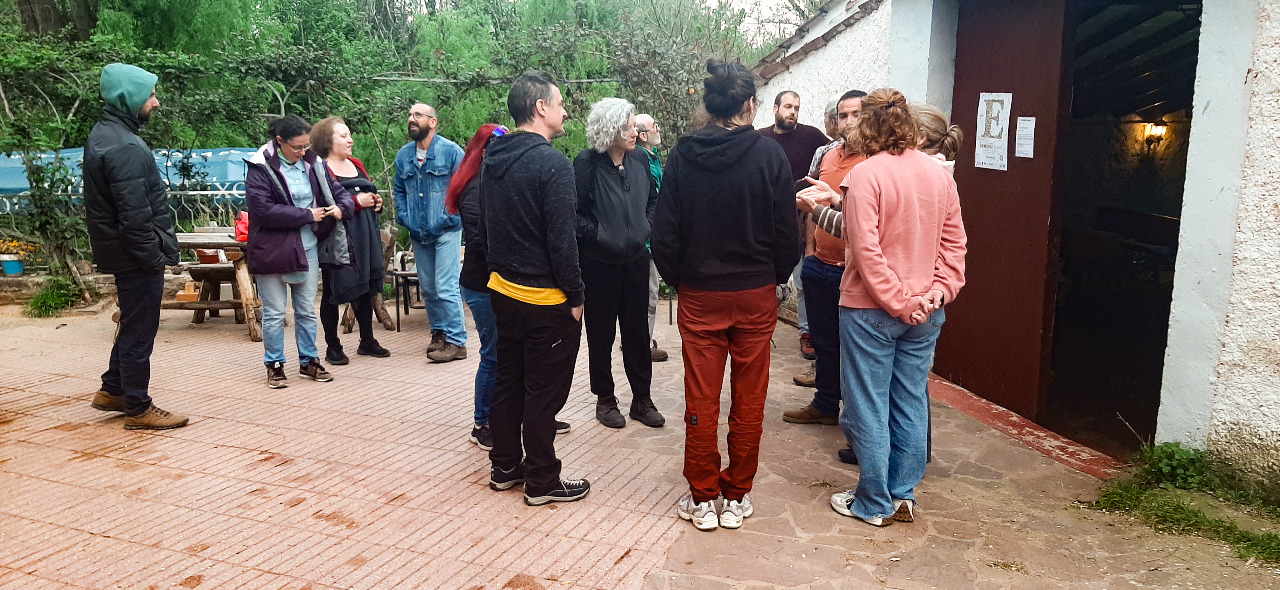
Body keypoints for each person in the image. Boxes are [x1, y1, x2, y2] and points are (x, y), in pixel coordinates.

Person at [653, 60, 800, 531]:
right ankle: (736, 495)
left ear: (709, 105)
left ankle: (702, 499)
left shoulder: (682, 154)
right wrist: (775, 276)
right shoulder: (770, 155)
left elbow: (665, 232)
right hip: (755, 292)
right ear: (750, 105)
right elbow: (787, 232)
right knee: (750, 397)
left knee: (701, 396)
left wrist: (681, 279)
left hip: (701, 293)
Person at [824, 89, 967, 527]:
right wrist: (937, 293)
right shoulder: (939, 175)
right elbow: (955, 246)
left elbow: (866, 253)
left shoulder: (864, 175)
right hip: (927, 311)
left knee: (867, 405)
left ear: (867, 124)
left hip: (871, 311)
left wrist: (901, 303)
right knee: (910, 401)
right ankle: (903, 493)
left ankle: (873, 502)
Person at [480, 70, 590, 506]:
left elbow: (484, 229)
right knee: (544, 394)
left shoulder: (493, 158)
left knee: (509, 382)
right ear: (541, 107)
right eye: (560, 103)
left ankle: (505, 467)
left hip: (503, 291)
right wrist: (576, 296)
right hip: (546, 300)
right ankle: (542, 481)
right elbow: (563, 241)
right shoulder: (553, 165)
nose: (565, 111)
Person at [84, 63, 188, 430]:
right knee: (139, 331)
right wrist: (152, 258)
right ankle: (138, 408)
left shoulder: (107, 134)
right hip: (134, 256)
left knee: (132, 322)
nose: (155, 102)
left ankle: (113, 390)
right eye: (150, 95)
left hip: (123, 252)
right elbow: (134, 216)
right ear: (129, 97)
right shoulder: (124, 146)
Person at [245, 115, 356, 389]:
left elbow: (338, 191)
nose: (303, 151)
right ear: (279, 141)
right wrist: (306, 215)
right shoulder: (259, 167)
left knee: (306, 309)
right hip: (271, 250)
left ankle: (309, 361)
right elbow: (262, 210)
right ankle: (275, 365)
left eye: (306, 146)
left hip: (307, 248)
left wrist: (342, 207)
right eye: (296, 147)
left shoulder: (314, 163)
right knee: (274, 313)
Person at [574, 99, 664, 430]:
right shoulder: (586, 163)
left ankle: (642, 399)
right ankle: (605, 398)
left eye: (634, 126)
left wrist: (645, 228)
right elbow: (574, 213)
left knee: (637, 333)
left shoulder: (640, 159)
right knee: (601, 334)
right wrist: (600, 235)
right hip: (599, 263)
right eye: (627, 127)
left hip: (636, 260)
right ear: (610, 128)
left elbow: (653, 200)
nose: (634, 132)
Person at [785, 89, 865, 424]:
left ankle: (857, 420)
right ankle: (825, 405)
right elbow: (812, 205)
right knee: (824, 344)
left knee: (855, 350)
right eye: (843, 115)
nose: (849, 122)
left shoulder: (875, 159)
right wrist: (810, 252)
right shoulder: (828, 155)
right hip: (819, 264)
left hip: (853, 271)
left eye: (856, 114)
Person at [310, 117, 390, 365]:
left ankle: (367, 340)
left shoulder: (356, 164)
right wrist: (356, 202)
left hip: (365, 233)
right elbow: (323, 204)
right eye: (343, 136)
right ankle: (333, 346)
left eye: (349, 135)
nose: (350, 140)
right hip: (338, 239)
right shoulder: (320, 169)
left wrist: (376, 202)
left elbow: (368, 192)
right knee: (332, 291)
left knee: (365, 287)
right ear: (328, 141)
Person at [393, 103, 468, 363]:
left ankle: (457, 341)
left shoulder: (451, 152)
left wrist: (451, 217)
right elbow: (399, 191)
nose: (411, 119)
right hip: (418, 232)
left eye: (417, 115)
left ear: (433, 122)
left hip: (446, 230)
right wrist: (405, 217)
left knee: (446, 286)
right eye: (409, 115)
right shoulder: (404, 156)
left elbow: (465, 188)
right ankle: (439, 334)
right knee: (428, 288)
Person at [759, 90, 828, 362]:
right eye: (788, 106)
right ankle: (759, 328)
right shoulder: (761, 139)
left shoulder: (812, 137)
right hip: (769, 223)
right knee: (765, 279)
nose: (793, 112)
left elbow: (832, 158)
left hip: (802, 223)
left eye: (797, 108)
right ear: (775, 108)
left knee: (803, 279)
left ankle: (807, 332)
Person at [635, 113, 669, 363]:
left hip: (651, 238)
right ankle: (642, 345)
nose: (659, 129)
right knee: (649, 295)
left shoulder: (651, 157)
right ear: (644, 135)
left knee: (647, 293)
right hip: (646, 241)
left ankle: (639, 339)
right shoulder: (640, 160)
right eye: (655, 126)